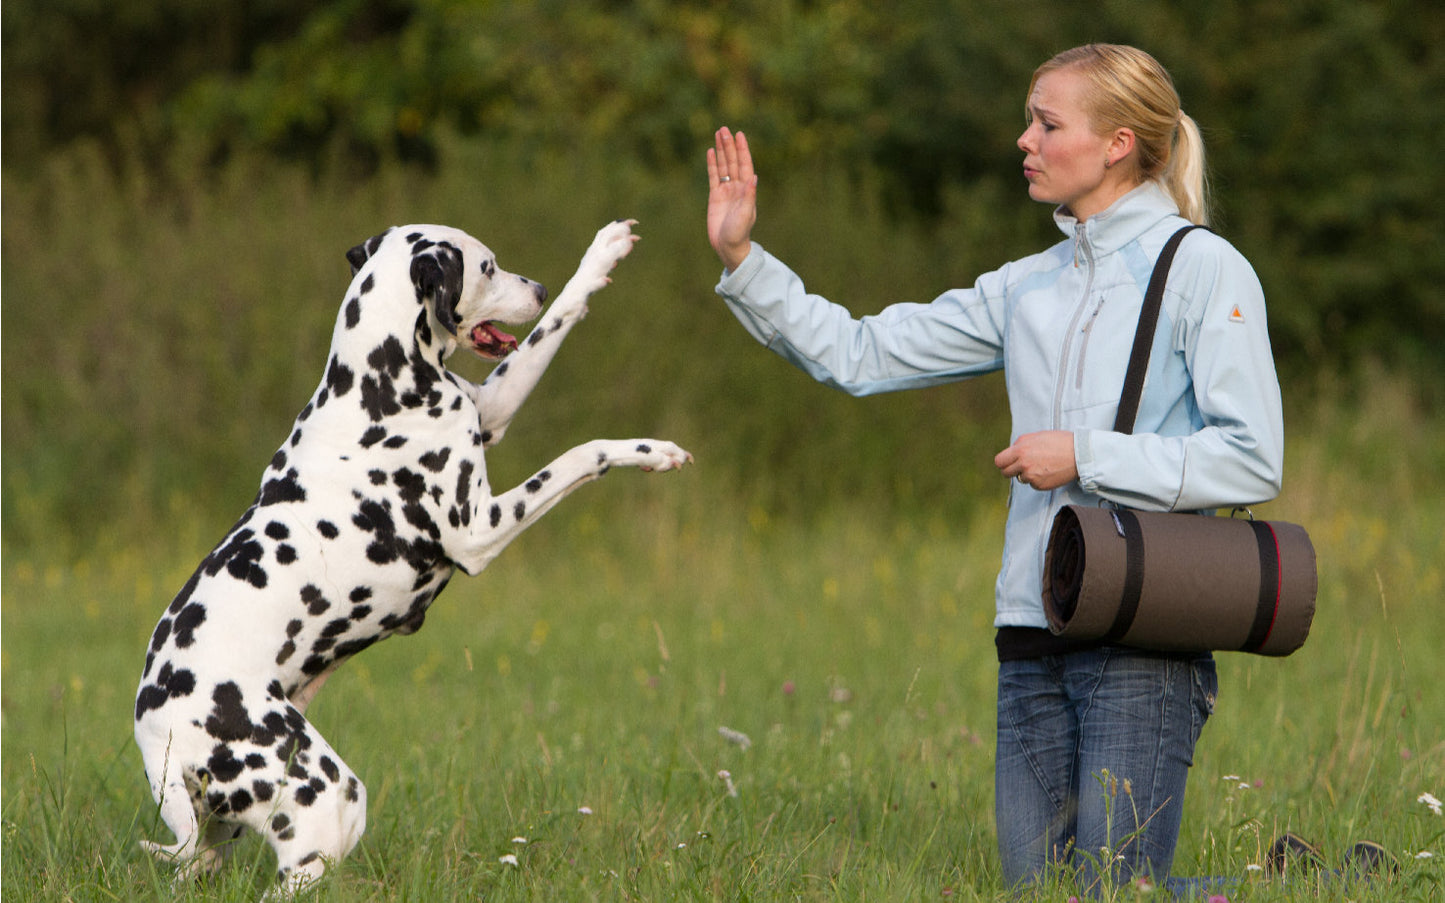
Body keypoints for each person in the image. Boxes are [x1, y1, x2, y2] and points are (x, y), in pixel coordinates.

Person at [705, 44, 1285, 894]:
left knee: (1108, 892)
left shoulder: (1205, 269)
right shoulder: (1026, 286)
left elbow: (1250, 455)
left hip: (1143, 633)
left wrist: (1084, 453)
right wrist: (742, 259)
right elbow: (861, 354)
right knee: (1041, 894)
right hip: (1029, 629)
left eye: (1047, 123)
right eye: (1029, 120)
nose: (1025, 139)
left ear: (1118, 141)